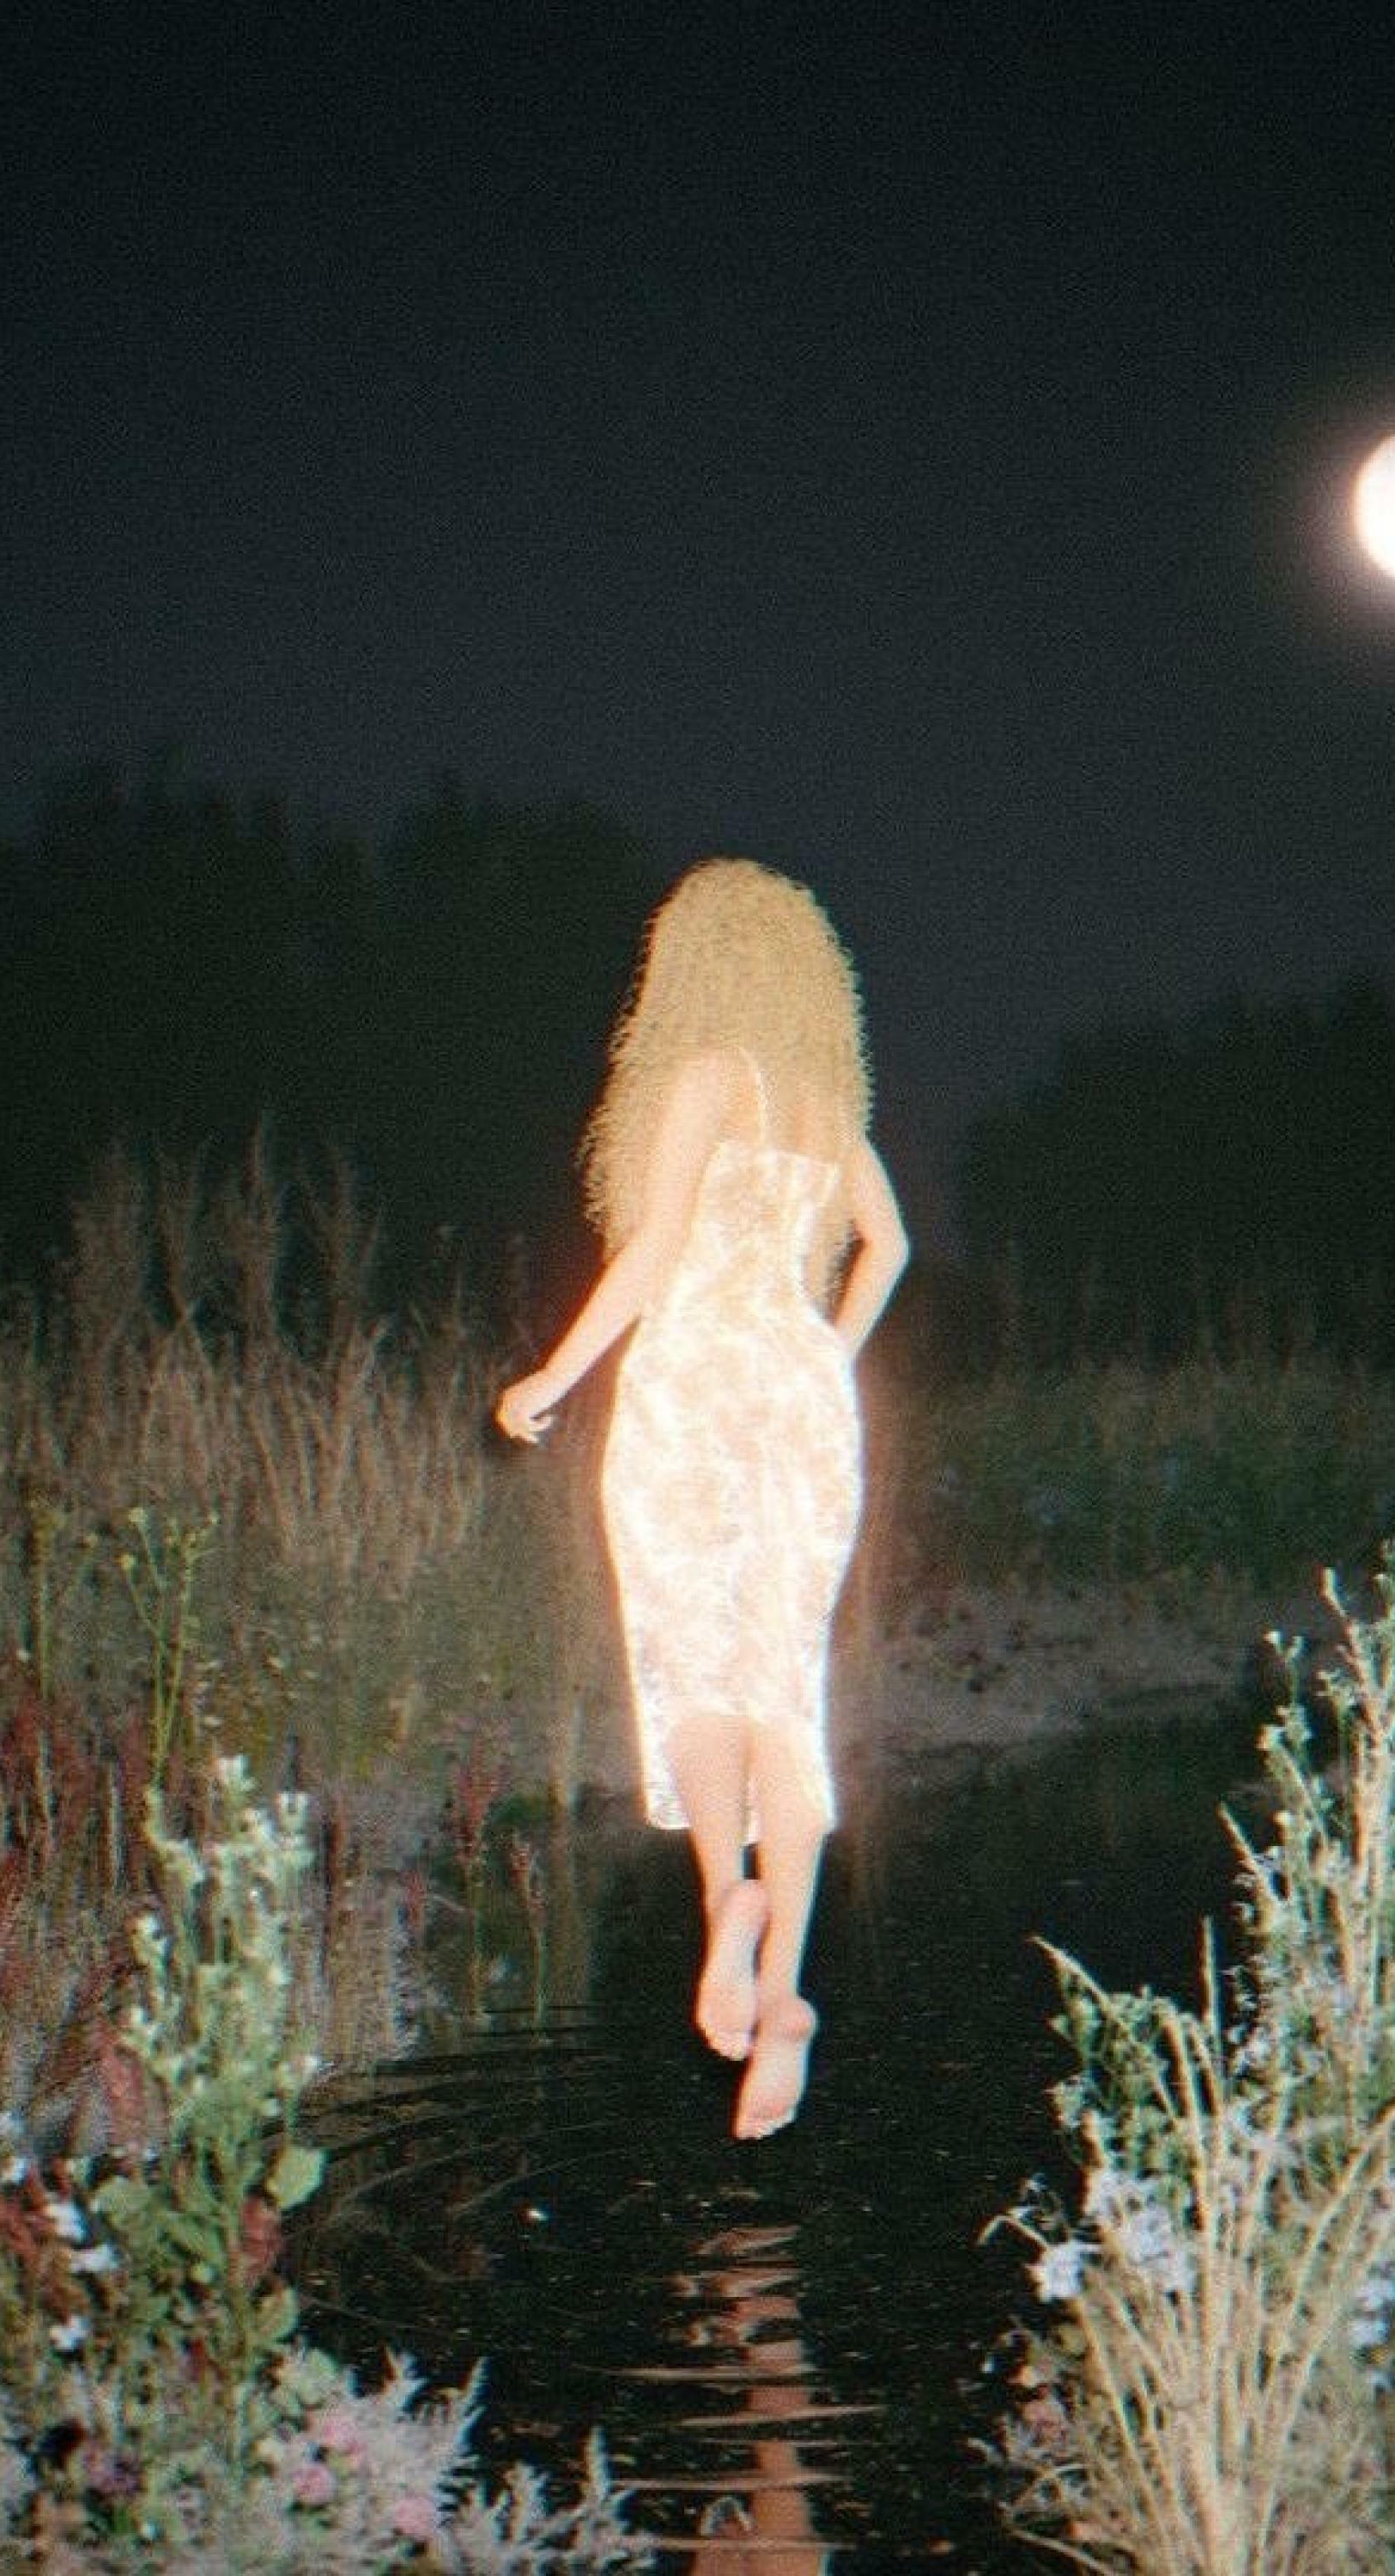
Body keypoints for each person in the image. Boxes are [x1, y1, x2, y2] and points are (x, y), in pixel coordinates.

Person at [496, 858, 907, 2140]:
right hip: (801, 1396)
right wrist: (823, 1359)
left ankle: (726, 1894)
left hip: (693, 1389)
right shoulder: (826, 1106)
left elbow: (655, 1251)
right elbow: (890, 1247)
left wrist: (552, 1375)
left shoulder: (705, 1077)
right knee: (786, 1684)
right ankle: (783, 1991)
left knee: (694, 1657)